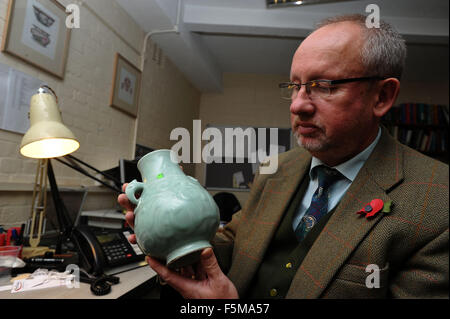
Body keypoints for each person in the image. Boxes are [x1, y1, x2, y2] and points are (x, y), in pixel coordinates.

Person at [118, 14, 448, 299]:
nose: (297, 105)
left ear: (382, 96)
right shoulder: (278, 167)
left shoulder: (439, 205)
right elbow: (234, 240)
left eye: (324, 85)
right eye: (295, 86)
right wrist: (174, 238)